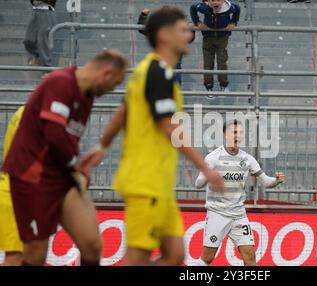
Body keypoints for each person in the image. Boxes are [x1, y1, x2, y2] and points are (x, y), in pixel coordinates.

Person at [78, 6, 224, 266]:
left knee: (175, 255)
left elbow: (123, 111)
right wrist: (206, 168)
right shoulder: (158, 72)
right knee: (137, 258)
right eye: (183, 29)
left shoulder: (149, 71)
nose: (190, 33)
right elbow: (168, 127)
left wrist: (102, 146)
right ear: (165, 36)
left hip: (159, 185)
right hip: (146, 182)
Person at [1, 49, 128, 266]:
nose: (112, 90)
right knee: (34, 255)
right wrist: (75, 166)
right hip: (32, 179)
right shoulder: (61, 82)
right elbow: (54, 135)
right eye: (114, 84)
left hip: (61, 178)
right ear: (106, 73)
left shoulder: (86, 97)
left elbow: (67, 140)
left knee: (92, 245)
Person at [193, 120, 285, 266]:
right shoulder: (213, 158)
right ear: (225, 135)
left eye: (241, 133)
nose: (238, 136)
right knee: (207, 258)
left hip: (238, 215)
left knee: (250, 255)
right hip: (218, 213)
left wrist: (276, 180)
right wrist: (209, 175)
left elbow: (266, 181)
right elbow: (198, 184)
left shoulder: (247, 159)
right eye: (235, 132)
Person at [190, 0, 240, 92]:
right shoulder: (204, 7)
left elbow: (237, 8)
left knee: (222, 61)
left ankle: (223, 84)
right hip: (208, 38)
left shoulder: (229, 8)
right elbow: (193, 8)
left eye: (218, 0)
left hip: (222, 38)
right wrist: (197, 22)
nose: (215, 2)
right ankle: (209, 85)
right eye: (213, 0)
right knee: (208, 62)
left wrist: (233, 22)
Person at [137, 8, 196, 85]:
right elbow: (143, 28)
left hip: (175, 64)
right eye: (183, 30)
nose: (189, 35)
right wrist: (143, 16)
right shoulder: (153, 70)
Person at [0, 107, 25, 266]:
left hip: (15, 191)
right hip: (16, 196)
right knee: (15, 259)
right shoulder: (37, 116)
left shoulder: (24, 112)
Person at [24, 0, 57, 66]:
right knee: (28, 40)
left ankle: (47, 69)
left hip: (47, 11)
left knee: (43, 41)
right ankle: (37, 55)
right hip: (35, 11)